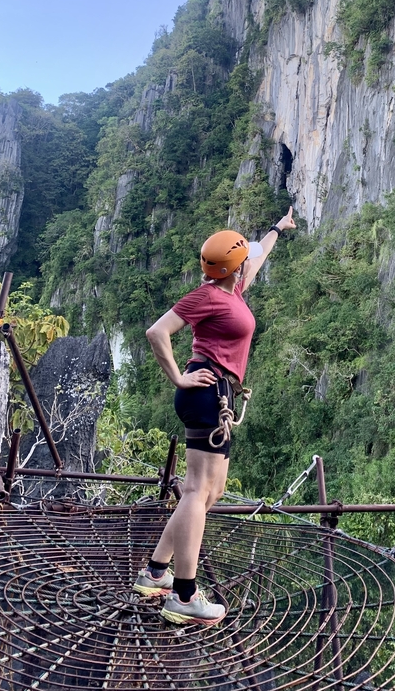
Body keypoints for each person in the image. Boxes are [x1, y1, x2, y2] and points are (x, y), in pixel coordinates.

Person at [133, 208, 296, 625]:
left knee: (208, 492)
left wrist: (278, 228)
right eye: (241, 261)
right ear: (231, 267)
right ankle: (184, 596)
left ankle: (155, 572)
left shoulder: (232, 288)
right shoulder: (206, 296)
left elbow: (257, 256)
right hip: (205, 392)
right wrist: (179, 378)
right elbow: (157, 332)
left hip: (215, 394)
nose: (247, 264)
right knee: (196, 491)